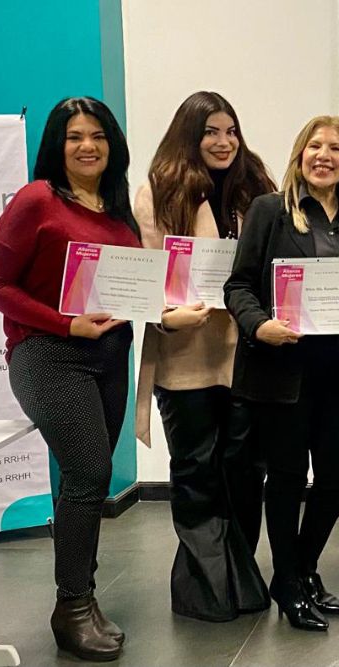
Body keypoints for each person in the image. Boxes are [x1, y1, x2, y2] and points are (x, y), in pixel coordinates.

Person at [0, 97, 139, 661]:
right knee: (89, 471)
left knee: (90, 479)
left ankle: (82, 598)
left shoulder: (118, 209)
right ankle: (71, 607)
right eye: (74, 137)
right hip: (48, 354)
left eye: (98, 135)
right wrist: (66, 323)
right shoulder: (37, 199)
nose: (88, 146)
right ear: (57, 145)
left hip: (110, 355)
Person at [223, 115, 339, 632]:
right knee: (287, 479)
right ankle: (287, 581)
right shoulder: (270, 211)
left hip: (333, 370)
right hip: (279, 371)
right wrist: (259, 325)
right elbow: (238, 286)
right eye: (315, 146)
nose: (323, 156)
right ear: (300, 155)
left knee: (336, 475)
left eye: (335, 148)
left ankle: (303, 567)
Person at [133, 91, 276, 621]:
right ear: (189, 136)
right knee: (196, 468)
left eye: (230, 131)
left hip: (246, 355)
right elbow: (142, 277)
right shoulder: (156, 192)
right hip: (185, 355)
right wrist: (165, 316)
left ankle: (240, 577)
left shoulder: (256, 188)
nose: (223, 141)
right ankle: (205, 587)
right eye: (211, 132)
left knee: (245, 469)